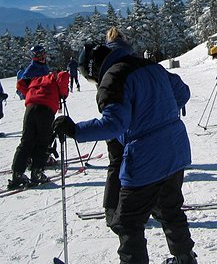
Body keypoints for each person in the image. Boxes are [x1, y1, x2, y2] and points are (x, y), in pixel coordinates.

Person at [53, 42, 197, 264]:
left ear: (92, 70)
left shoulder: (113, 78)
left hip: (145, 158)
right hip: (176, 149)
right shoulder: (148, 65)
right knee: (170, 208)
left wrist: (74, 130)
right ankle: (185, 259)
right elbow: (183, 91)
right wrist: (161, 116)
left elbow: (114, 124)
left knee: (128, 221)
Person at [9, 45, 67, 189]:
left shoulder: (40, 69)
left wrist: (31, 95)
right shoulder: (34, 69)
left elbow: (22, 84)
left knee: (26, 140)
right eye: (38, 55)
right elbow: (62, 82)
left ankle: (17, 174)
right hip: (45, 108)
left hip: (32, 106)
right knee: (42, 140)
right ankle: (37, 172)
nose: (41, 57)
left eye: (42, 54)